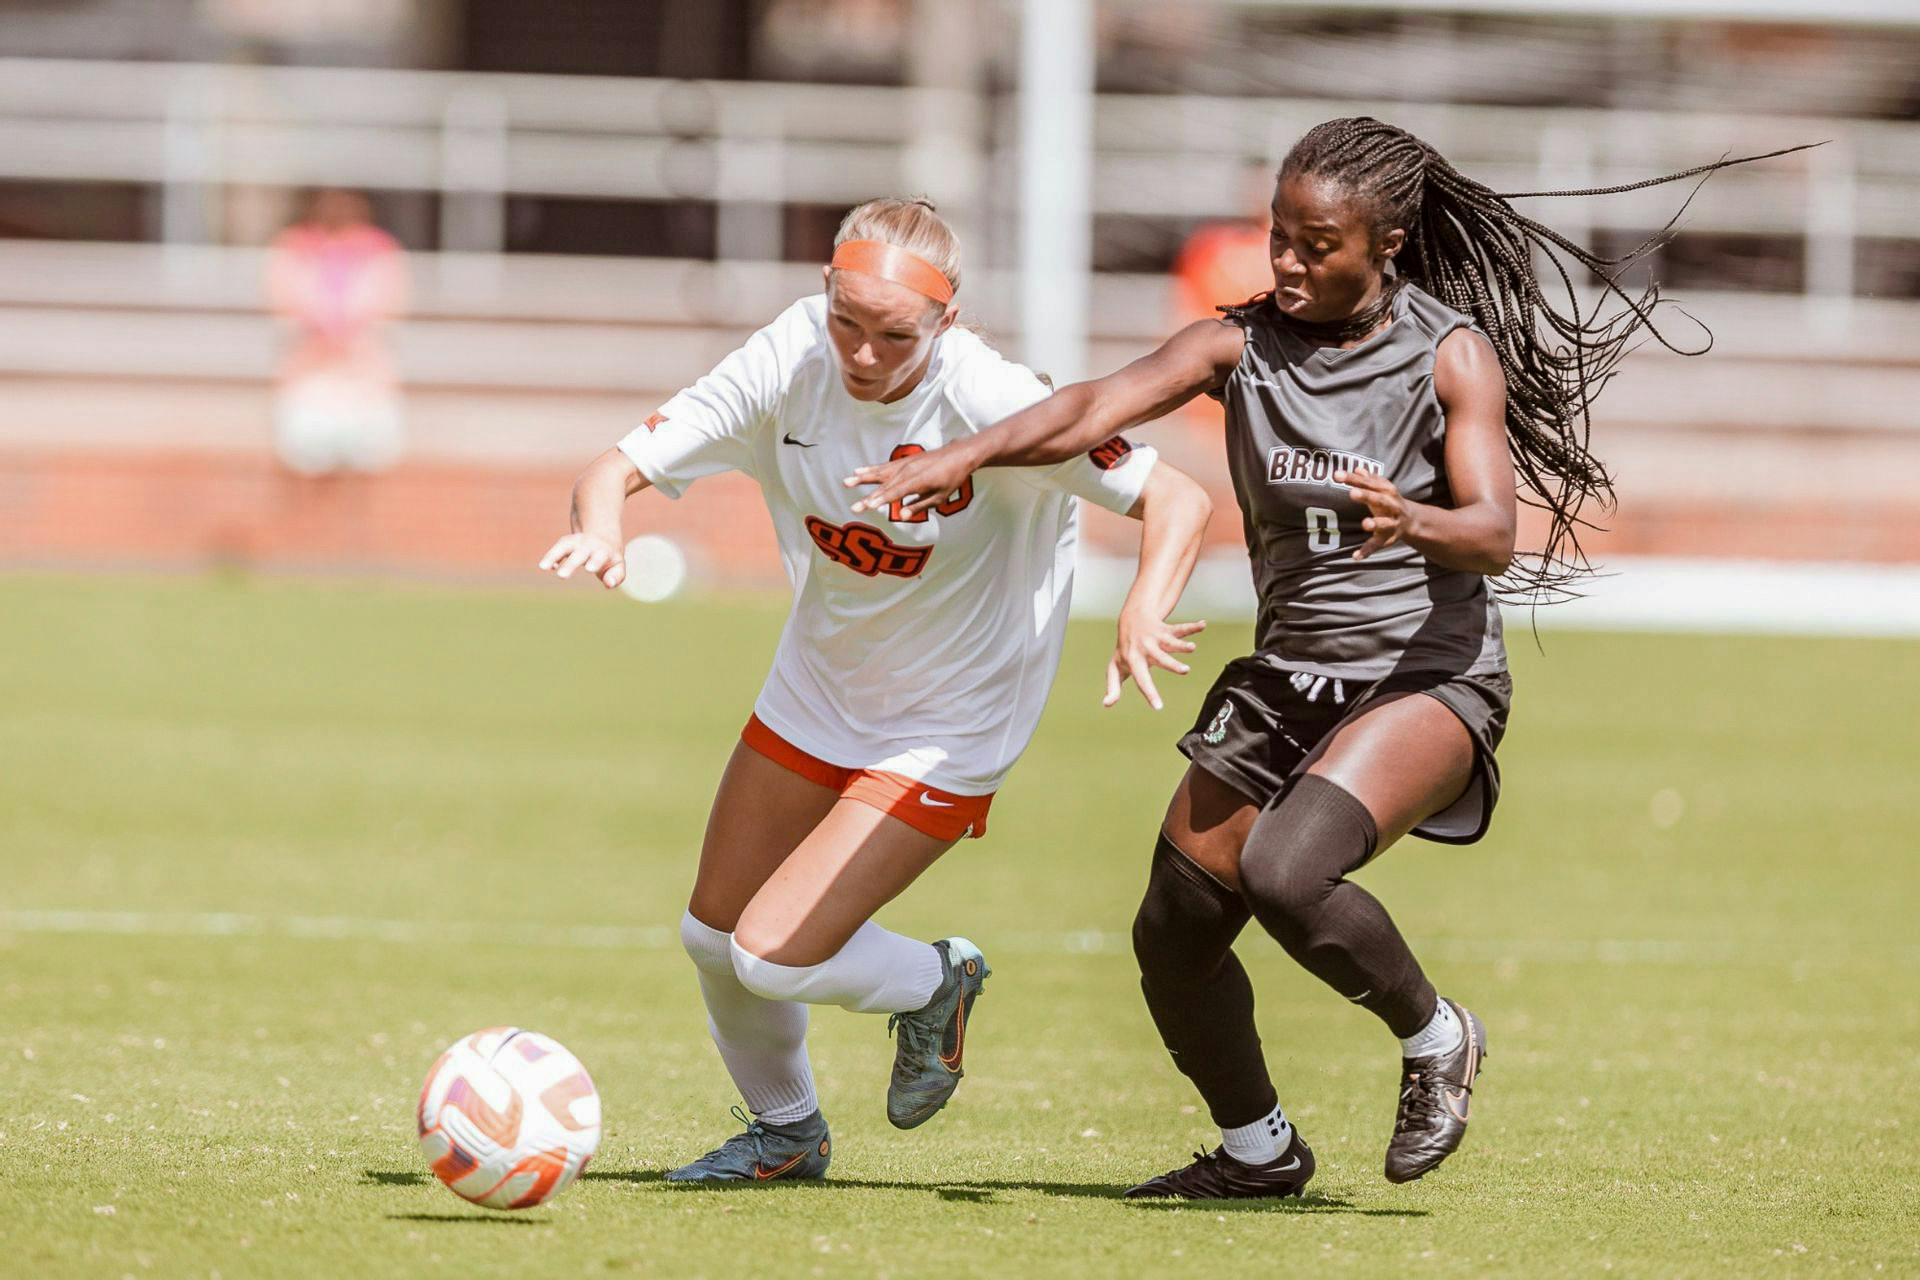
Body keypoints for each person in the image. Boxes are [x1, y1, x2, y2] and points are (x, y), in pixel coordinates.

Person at [847, 119, 1808, 1199]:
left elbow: (1493, 527)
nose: (1290, 265)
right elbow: (1087, 408)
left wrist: (1417, 520)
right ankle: (1260, 1150)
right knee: (1173, 933)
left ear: (1385, 243)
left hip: (1426, 676)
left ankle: (1438, 1034)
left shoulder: (1448, 353)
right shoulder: (1238, 344)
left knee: (1286, 869)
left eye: (1319, 245)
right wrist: (963, 453)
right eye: (1280, 239)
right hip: (1292, 673)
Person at [538, 197, 1214, 1184]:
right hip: (819, 685)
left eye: (892, 334)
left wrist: (1144, 607)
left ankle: (938, 979)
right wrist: (603, 526)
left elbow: (1176, 497)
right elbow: (617, 465)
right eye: (844, 320)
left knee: (772, 955)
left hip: (951, 721)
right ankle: (786, 1133)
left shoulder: (994, 399)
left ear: (946, 321)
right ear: (822, 295)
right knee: (712, 935)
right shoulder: (787, 358)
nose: (860, 351)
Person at [264, 189, 409, 476]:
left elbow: (389, 308)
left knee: (368, 456)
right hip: (311, 367)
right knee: (304, 453)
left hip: (361, 372)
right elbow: (284, 306)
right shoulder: (293, 249)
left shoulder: (380, 252)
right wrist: (321, 330)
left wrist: (350, 334)